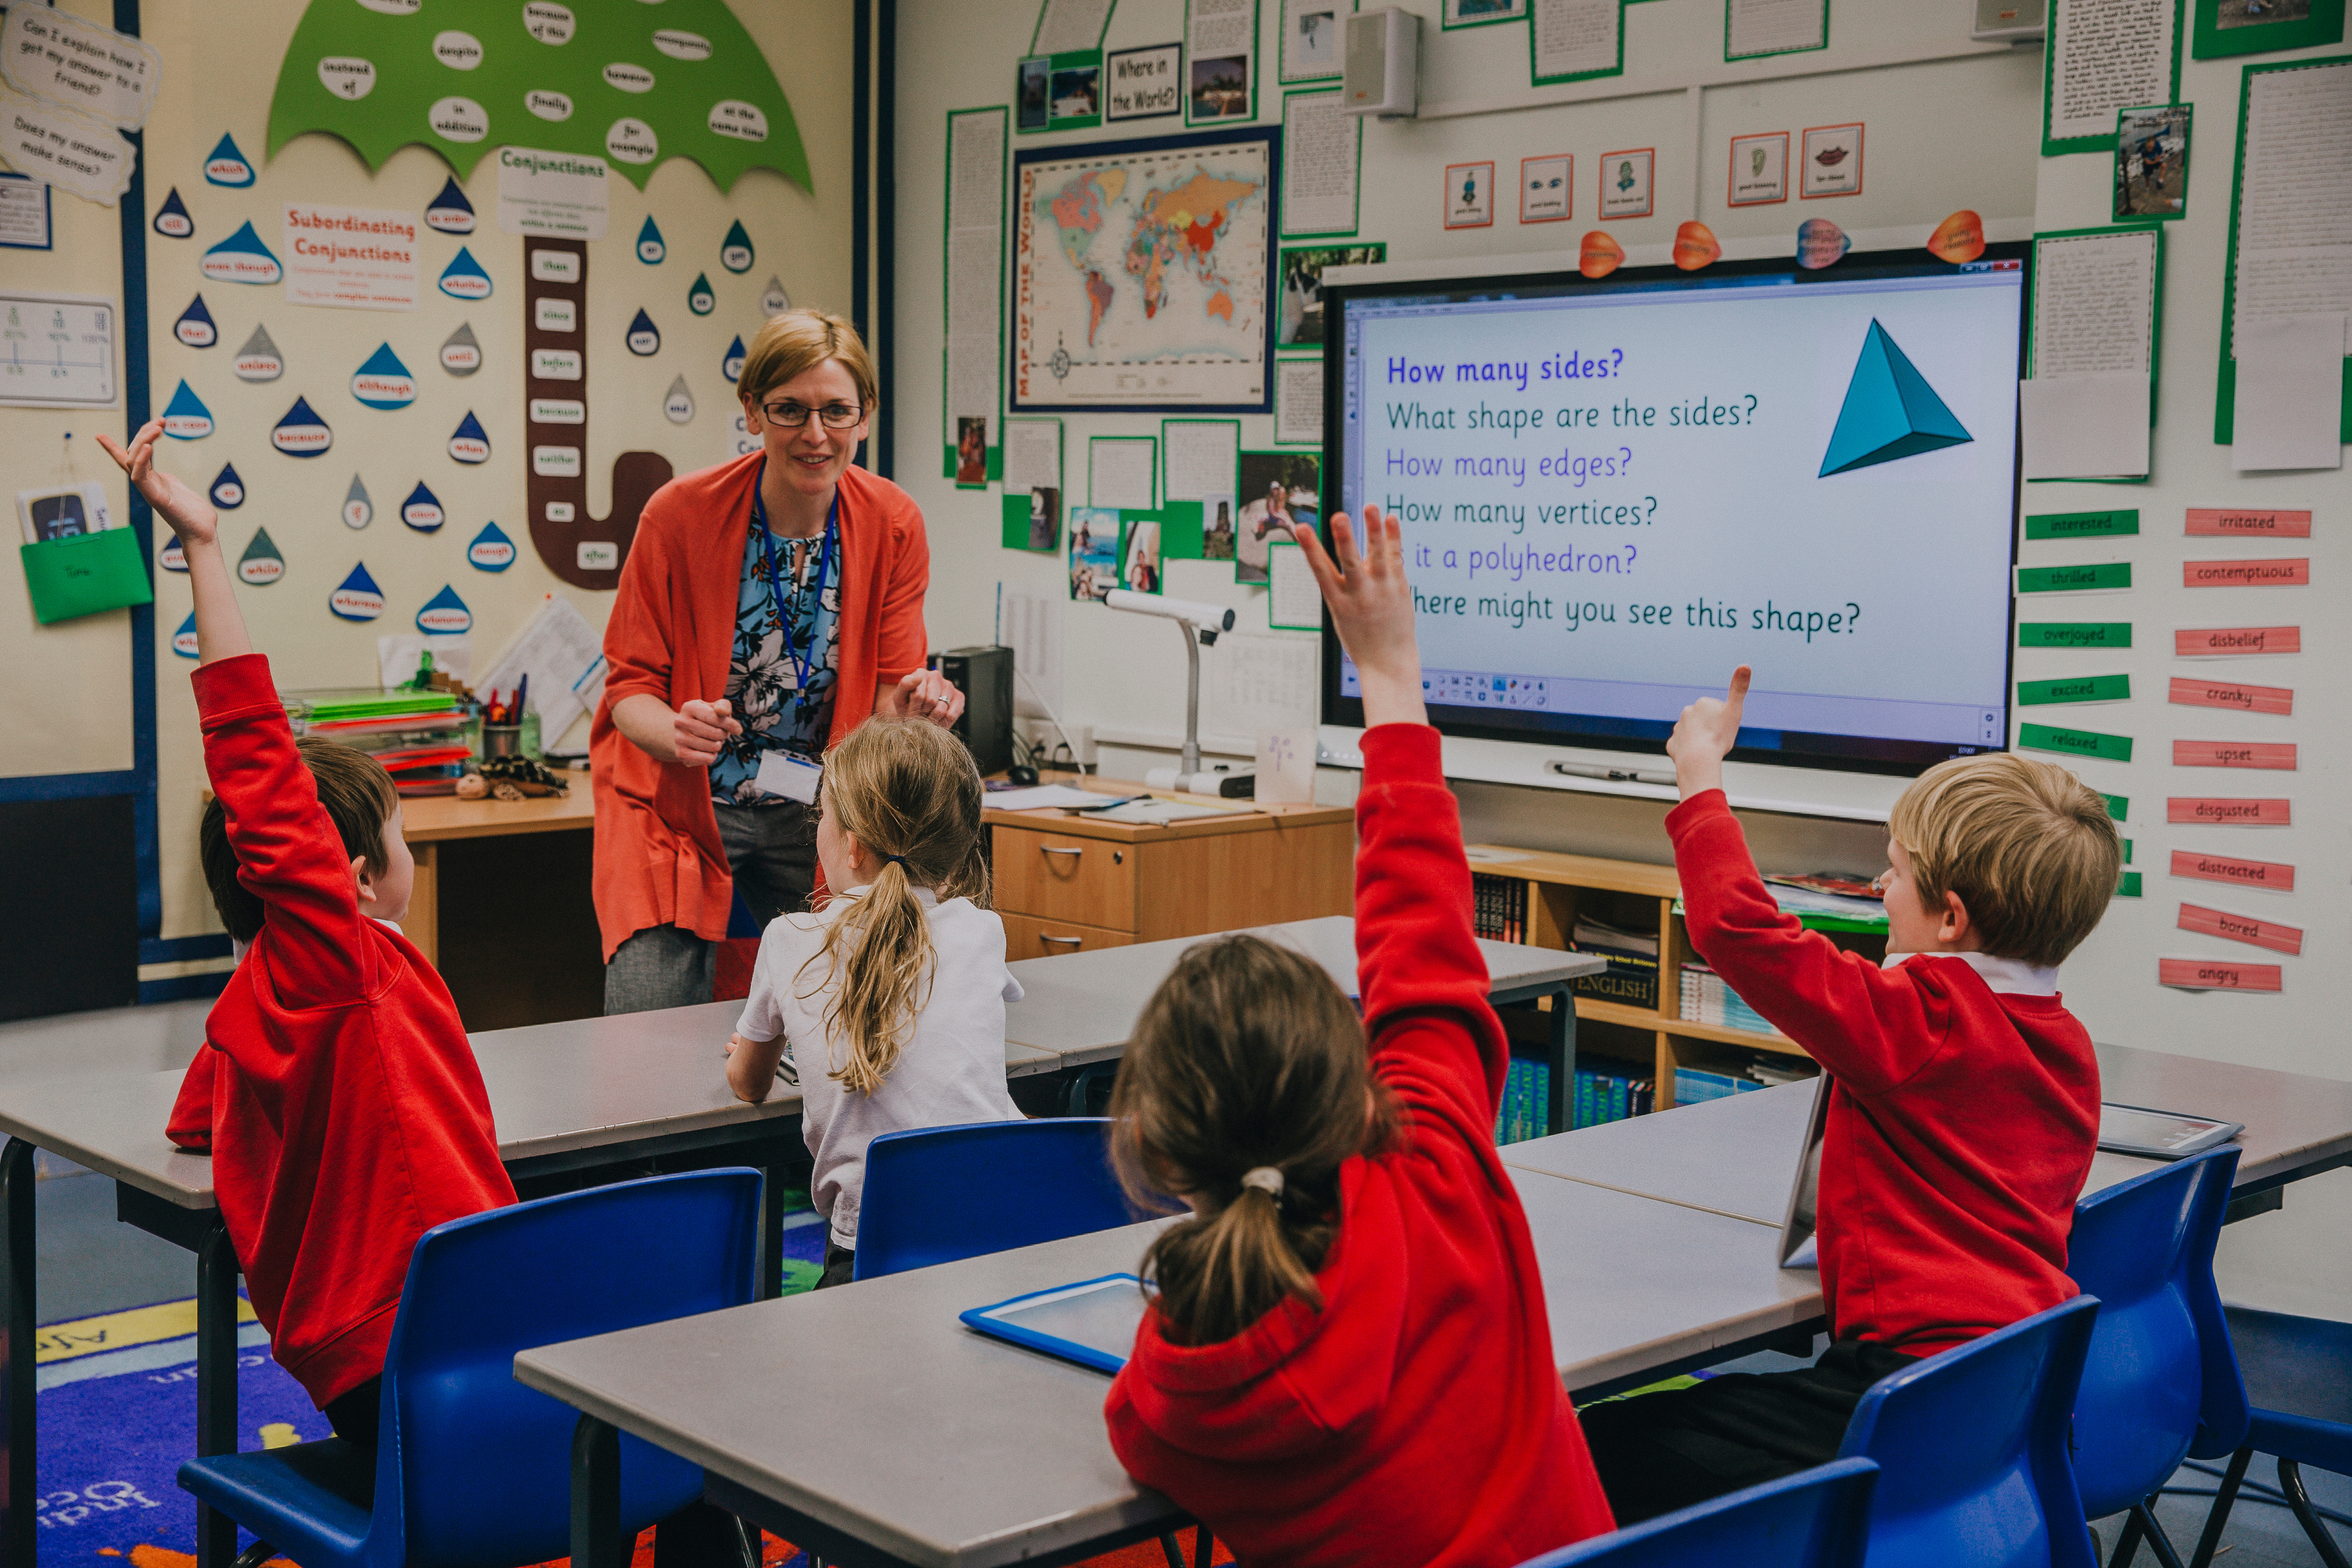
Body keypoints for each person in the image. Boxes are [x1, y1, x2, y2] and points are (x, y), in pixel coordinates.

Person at [1100, 506, 1615, 1567]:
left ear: (1151, 1140)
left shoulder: (1170, 1390)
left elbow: (1135, 1438)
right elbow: (1422, 936)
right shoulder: (1440, 1174)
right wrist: (1388, 672)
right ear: (1350, 1080)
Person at [1578, 667, 2118, 1523]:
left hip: (1900, 1394)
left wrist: (1700, 779)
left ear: (1948, 917)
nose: (1876, 887)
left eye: (1891, 872)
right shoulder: (2064, 1041)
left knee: (1592, 1451)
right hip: (2012, 1389)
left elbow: (1739, 932)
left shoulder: (1921, 1022)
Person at [98, 420, 515, 1448]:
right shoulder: (337, 965)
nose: (409, 848)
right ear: (353, 879)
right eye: (402, 833)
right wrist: (203, 546)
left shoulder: (261, 1003)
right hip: (428, 1333)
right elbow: (251, 752)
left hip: (382, 1350)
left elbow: (204, 1113)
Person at [597, 308, 966, 1015]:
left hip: (821, 809)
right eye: (789, 410)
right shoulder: (679, 515)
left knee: (841, 1010)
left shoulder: (893, 523)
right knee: (647, 1019)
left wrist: (917, 710)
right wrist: (676, 731)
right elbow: (629, 689)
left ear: (866, 417)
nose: (815, 435)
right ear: (752, 411)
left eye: (837, 411)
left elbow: (891, 694)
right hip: (682, 803)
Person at [723, 718, 1020, 1289]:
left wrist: (756, 1049)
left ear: (852, 845)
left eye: (823, 817)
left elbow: (749, 1084)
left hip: (869, 1256)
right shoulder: (983, 932)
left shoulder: (790, 939)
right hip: (995, 1232)